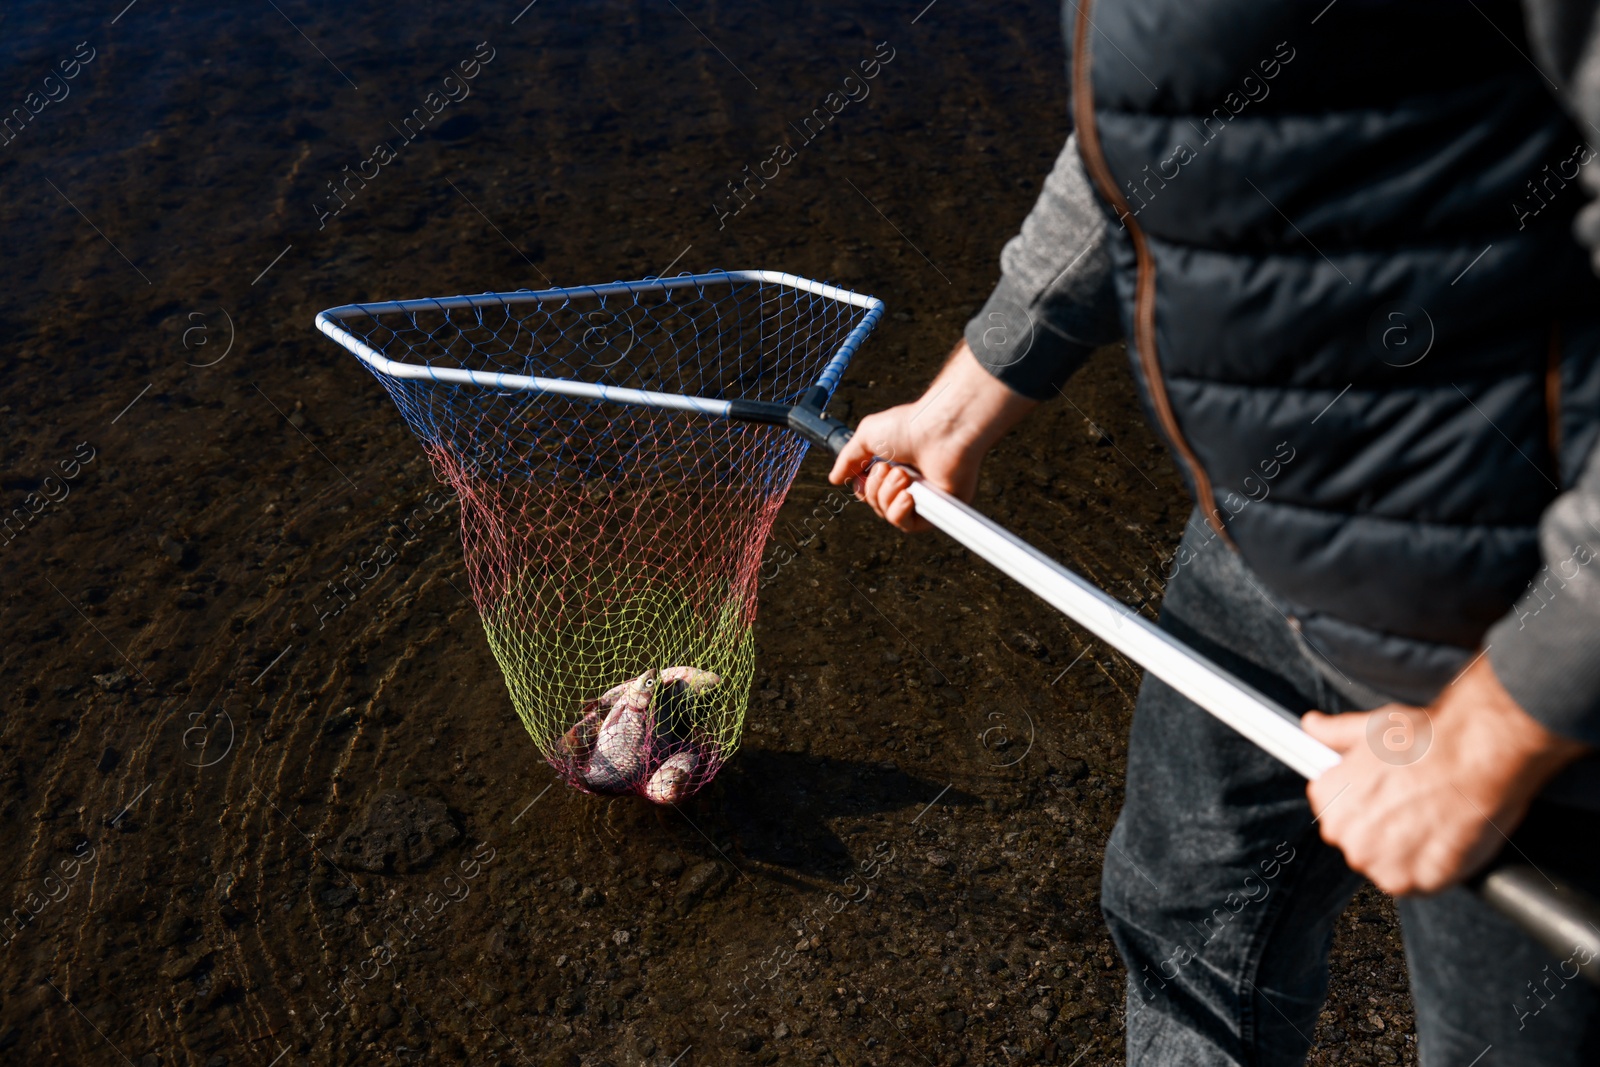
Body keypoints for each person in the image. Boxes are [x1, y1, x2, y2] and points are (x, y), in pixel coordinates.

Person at [829, 2, 1600, 1064]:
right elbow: (1161, 113)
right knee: (1183, 922)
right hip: (1251, 544)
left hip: (1525, 622)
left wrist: (1492, 731)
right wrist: (976, 385)